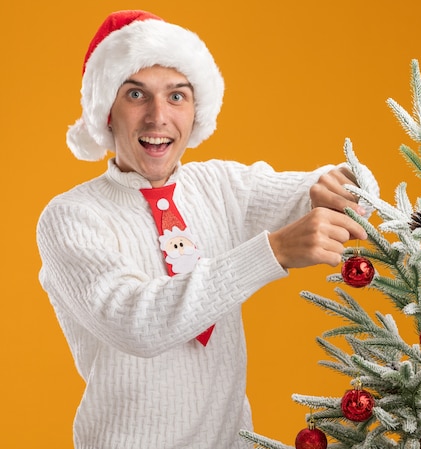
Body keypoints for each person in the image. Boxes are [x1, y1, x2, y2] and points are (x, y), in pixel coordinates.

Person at [36, 10, 374, 449]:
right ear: (106, 113)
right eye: (136, 94)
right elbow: (136, 324)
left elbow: (327, 191)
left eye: (177, 96)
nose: (158, 117)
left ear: (196, 112)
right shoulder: (71, 216)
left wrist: (349, 181)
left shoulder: (220, 185)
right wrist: (272, 252)